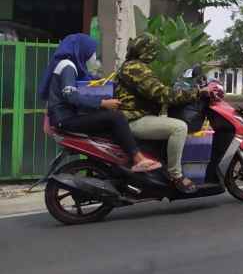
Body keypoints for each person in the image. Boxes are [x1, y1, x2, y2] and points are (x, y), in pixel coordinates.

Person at [39, 34, 161, 172]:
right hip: (67, 119)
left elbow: (81, 87)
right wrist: (102, 103)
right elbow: (71, 96)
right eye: (92, 52)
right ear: (82, 50)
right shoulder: (67, 66)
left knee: (109, 119)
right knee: (116, 117)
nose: (93, 56)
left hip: (67, 117)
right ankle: (138, 159)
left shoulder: (70, 65)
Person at [116, 33, 200, 193]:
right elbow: (160, 93)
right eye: (152, 49)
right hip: (134, 119)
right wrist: (196, 93)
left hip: (135, 116)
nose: (154, 53)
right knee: (179, 127)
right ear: (145, 50)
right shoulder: (135, 68)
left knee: (167, 121)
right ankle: (175, 175)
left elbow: (153, 90)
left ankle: (160, 168)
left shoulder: (130, 66)